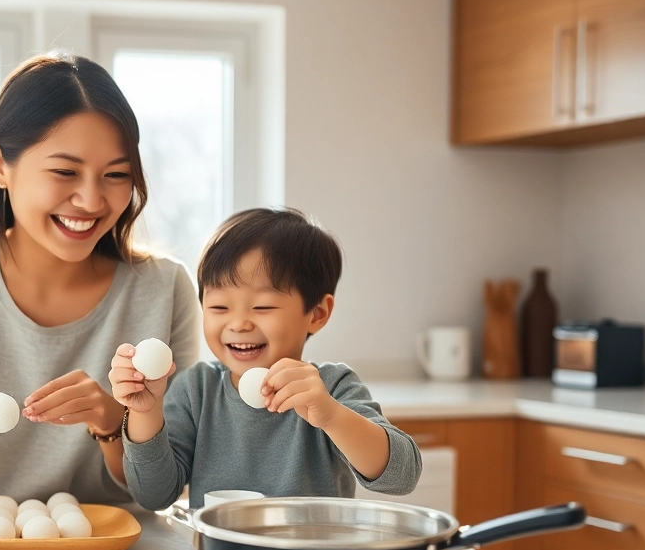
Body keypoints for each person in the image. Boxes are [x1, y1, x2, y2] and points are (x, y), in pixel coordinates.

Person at [0, 52, 202, 504]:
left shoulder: (165, 289)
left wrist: (111, 421)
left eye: (116, 175)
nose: (90, 199)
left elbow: (168, 485)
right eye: (65, 171)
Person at [110, 207, 421, 509]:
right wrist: (146, 412)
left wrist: (331, 416)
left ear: (317, 314)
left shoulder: (331, 388)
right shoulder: (196, 389)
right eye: (219, 307)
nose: (239, 323)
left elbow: (402, 476)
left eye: (262, 307)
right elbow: (153, 496)